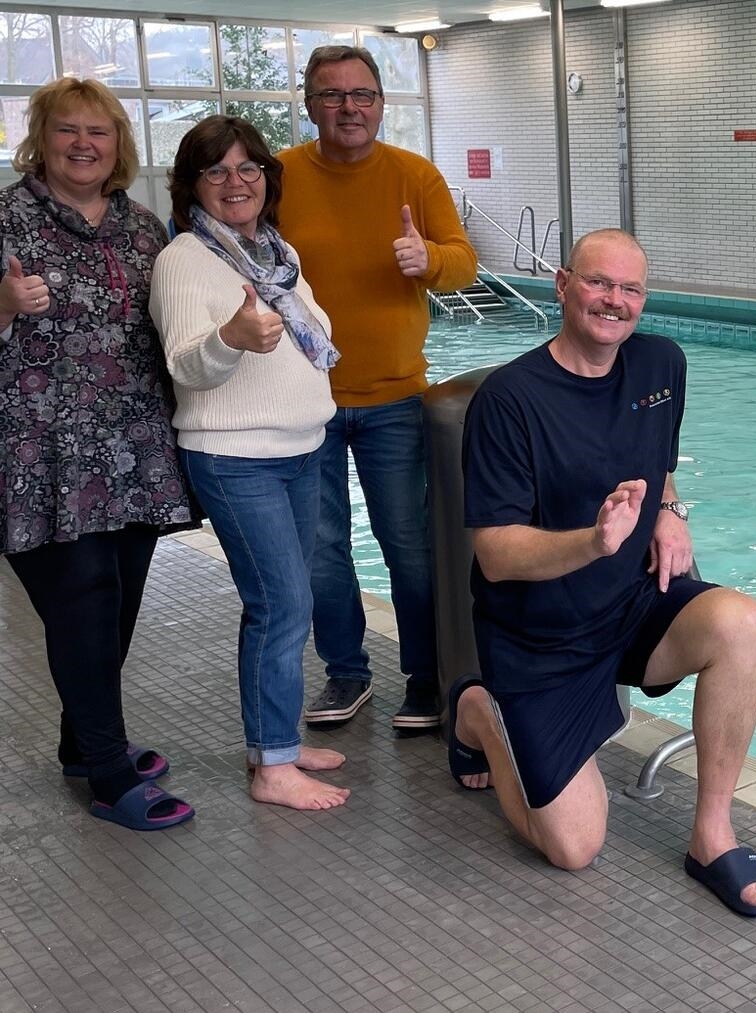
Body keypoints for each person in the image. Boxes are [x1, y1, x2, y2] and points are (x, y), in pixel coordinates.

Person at [452, 228, 756, 917]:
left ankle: (711, 836)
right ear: (563, 285)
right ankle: (481, 711)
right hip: (541, 638)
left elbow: (657, 461)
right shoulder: (509, 401)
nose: (615, 301)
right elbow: (495, 553)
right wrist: (594, 543)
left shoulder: (661, 365)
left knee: (740, 621)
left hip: (630, 604)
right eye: (600, 283)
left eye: (631, 289)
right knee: (573, 847)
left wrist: (670, 509)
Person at [0, 78, 195, 830]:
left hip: (136, 445)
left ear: (119, 144)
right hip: (40, 450)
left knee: (118, 601)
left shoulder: (144, 228)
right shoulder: (9, 217)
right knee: (82, 599)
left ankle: (81, 741)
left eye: (100, 132)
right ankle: (110, 775)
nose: (84, 144)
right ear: (41, 138)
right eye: (68, 130)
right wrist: (5, 304)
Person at [277, 45, 478, 731]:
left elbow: (463, 263)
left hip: (395, 398)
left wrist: (429, 260)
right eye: (332, 95)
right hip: (304, 399)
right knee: (321, 548)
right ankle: (346, 673)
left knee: (408, 544)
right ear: (310, 105)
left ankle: (425, 676)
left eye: (361, 94)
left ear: (380, 104)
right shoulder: (278, 176)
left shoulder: (414, 175)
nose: (348, 107)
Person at [150, 115, 349, 811]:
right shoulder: (183, 260)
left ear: (267, 177)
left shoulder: (271, 250)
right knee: (283, 604)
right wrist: (232, 337)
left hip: (300, 452)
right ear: (192, 185)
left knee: (280, 606)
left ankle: (276, 740)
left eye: (249, 168)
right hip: (237, 460)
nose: (236, 182)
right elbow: (185, 364)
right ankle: (273, 767)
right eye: (217, 171)